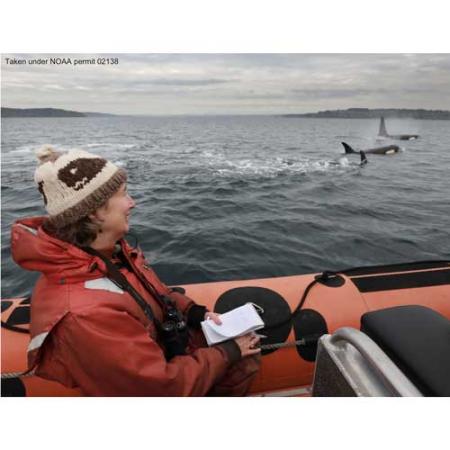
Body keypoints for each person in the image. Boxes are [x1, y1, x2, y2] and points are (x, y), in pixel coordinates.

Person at [11, 145, 261, 396]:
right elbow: (160, 389)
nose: (132, 203)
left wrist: (194, 312)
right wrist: (228, 352)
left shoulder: (111, 254)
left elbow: (155, 294)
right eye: (124, 194)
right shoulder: (85, 314)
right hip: (162, 383)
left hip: (165, 351)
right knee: (239, 360)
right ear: (96, 213)